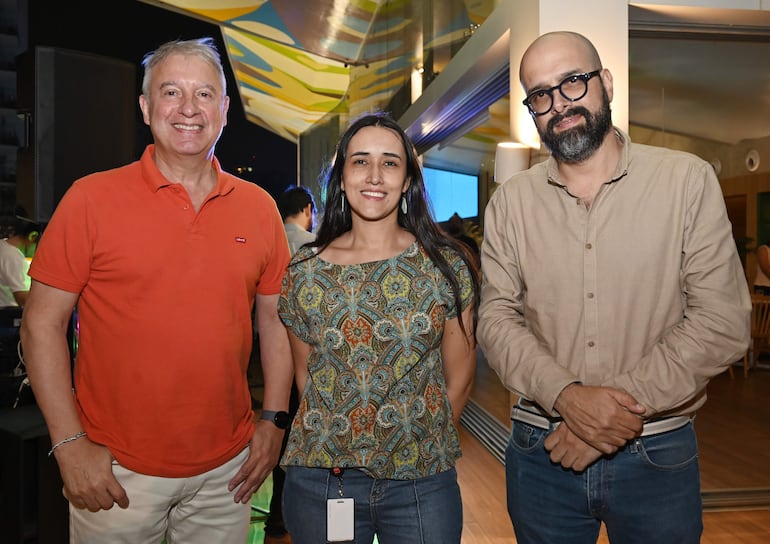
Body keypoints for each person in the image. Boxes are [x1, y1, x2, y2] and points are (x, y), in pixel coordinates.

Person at [476, 31, 751, 544]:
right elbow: (495, 320)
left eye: (573, 83)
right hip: (543, 454)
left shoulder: (685, 182)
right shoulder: (511, 203)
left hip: (656, 453)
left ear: (604, 82)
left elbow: (723, 322)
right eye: (541, 95)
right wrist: (566, 397)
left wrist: (600, 414)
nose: (559, 105)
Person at [19, 37, 294, 544]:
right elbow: (41, 325)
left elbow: (274, 321)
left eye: (205, 94)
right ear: (146, 107)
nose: (189, 109)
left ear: (225, 109)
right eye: (171, 92)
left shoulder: (258, 208)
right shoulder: (90, 200)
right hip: (116, 471)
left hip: (226, 474)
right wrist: (69, 443)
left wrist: (274, 421)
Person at [277, 111, 480, 544]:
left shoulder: (445, 265)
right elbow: (305, 376)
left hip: (421, 483)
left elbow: (460, 377)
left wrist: (417, 447)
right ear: (342, 176)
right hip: (325, 482)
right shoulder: (305, 271)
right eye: (360, 161)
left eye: (389, 162)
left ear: (407, 181)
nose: (374, 175)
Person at [262, 185, 317, 544]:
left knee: (279, 433)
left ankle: (276, 521)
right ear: (308, 209)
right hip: (309, 357)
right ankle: (306, 518)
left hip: (267, 353)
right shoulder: (318, 245)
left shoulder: (268, 239)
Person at [0, 212, 39, 307]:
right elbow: (22, 299)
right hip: (7, 316)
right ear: (32, 236)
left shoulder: (2, 247)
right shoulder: (13, 255)